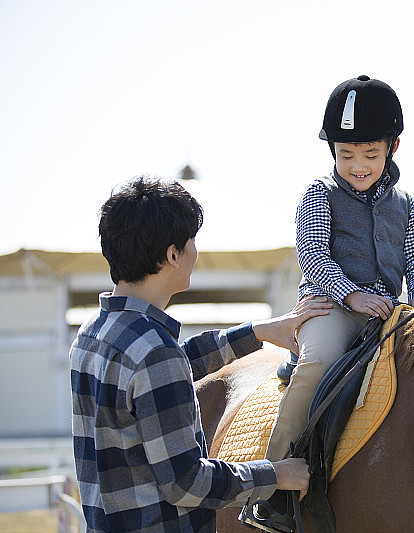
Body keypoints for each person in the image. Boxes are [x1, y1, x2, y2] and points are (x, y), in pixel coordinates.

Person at [70, 176, 332, 533]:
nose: (196, 251)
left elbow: (166, 373)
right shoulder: (154, 352)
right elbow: (186, 482)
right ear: (173, 255)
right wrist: (275, 475)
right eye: (192, 241)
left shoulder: (93, 335)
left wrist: (258, 333)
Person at [242, 75, 414, 531]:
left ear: (393, 146)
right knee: (319, 361)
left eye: (369, 154)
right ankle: (271, 489)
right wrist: (351, 293)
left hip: (388, 312)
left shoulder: (407, 204)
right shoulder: (318, 194)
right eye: (346, 155)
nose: (358, 165)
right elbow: (312, 254)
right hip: (330, 308)